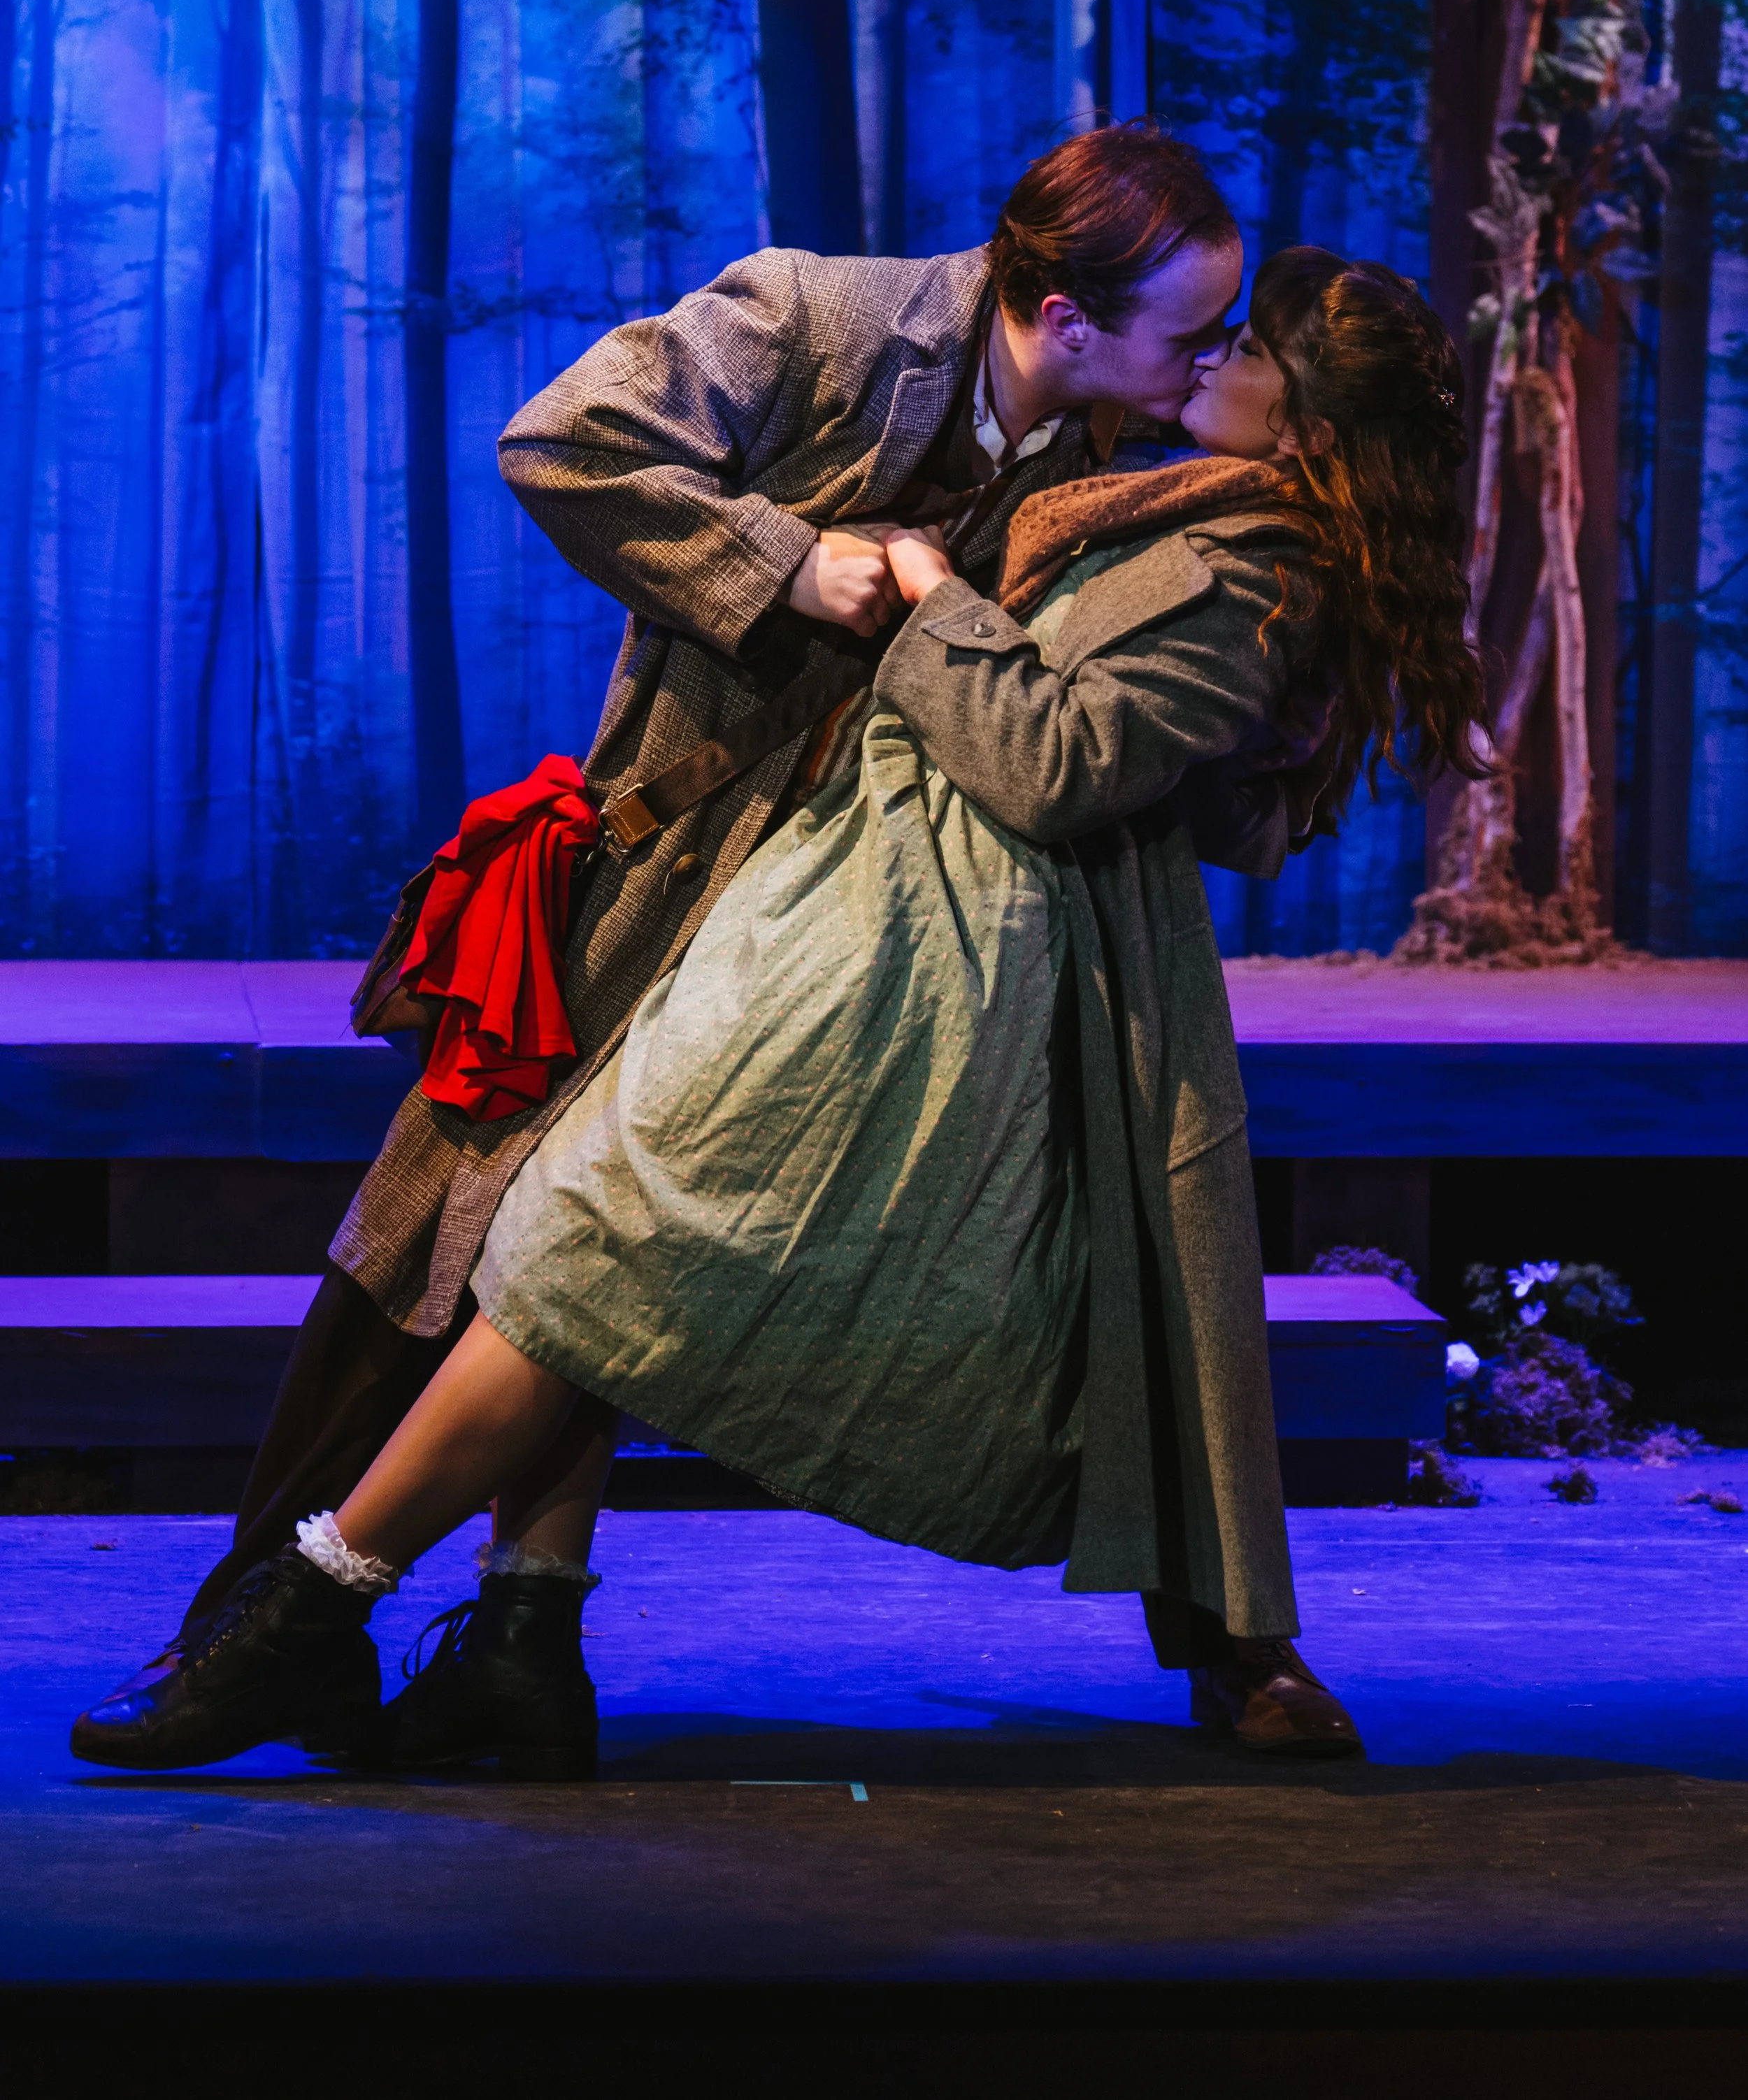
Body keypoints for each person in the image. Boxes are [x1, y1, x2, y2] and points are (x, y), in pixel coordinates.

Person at [72, 244, 1487, 1778]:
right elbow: (567, 442)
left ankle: (311, 1607)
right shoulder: (1054, 435)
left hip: (913, 949)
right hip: (807, 896)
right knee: (549, 1235)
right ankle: (512, 1643)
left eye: (1240, 351)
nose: (1200, 363)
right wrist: (801, 565)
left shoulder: (1243, 555)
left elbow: (1064, 760)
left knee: (594, 1252)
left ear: (1304, 426)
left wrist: (933, 601)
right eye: (1195, 334)